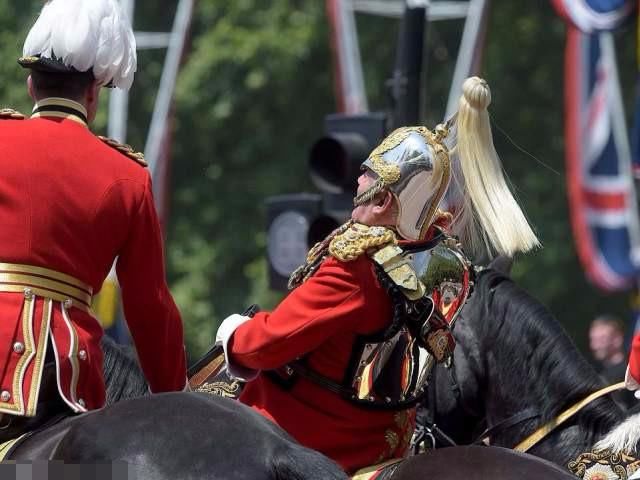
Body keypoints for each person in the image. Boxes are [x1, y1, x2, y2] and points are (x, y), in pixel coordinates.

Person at [216, 76, 540, 474]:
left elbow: (266, 346)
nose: (357, 181)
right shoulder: (449, 262)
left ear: (384, 198)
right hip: (389, 444)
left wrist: (234, 334)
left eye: (368, 175)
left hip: (308, 437)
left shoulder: (357, 266)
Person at [0, 0, 187, 441]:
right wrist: (176, 398)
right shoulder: (127, 176)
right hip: (60, 376)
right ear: (94, 92)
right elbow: (150, 308)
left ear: (31, 86)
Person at [589, 315, 636, 408]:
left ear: (617, 339)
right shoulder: (595, 374)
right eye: (593, 340)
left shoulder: (633, 371)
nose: (595, 346)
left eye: (601, 339)